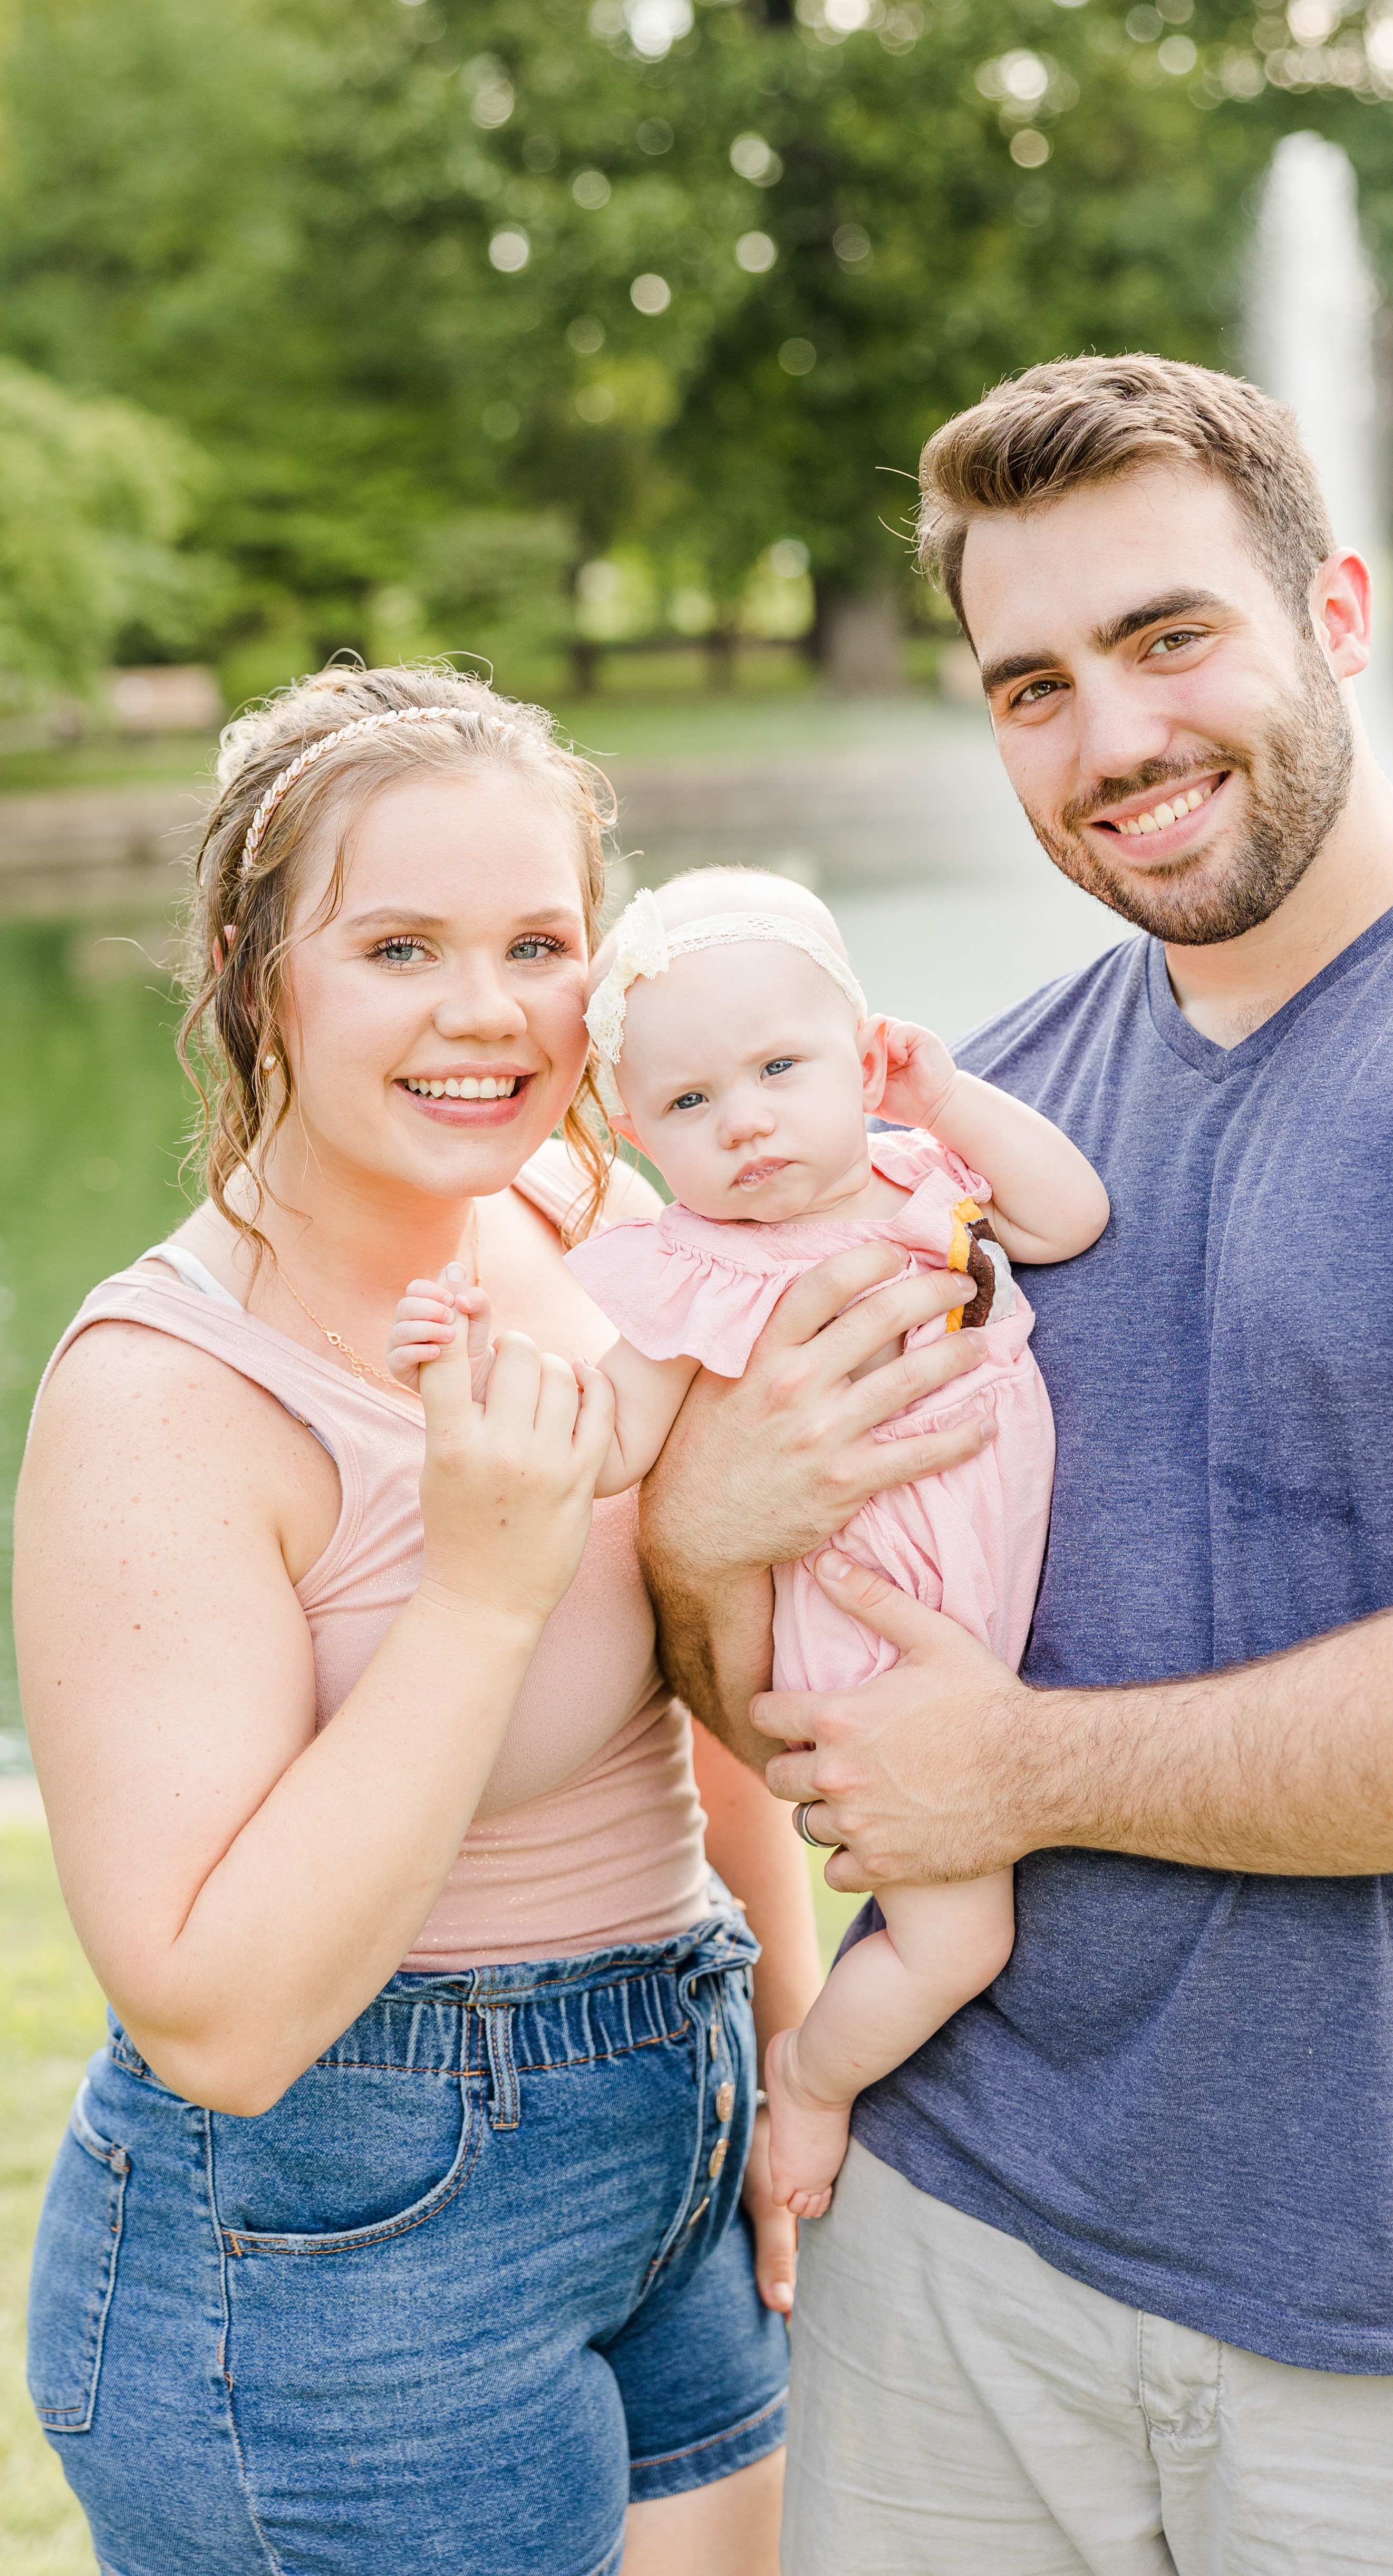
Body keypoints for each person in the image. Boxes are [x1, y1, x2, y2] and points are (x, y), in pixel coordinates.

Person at [636, 355, 1393, 2575]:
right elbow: (816, 1704)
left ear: (1334, 611)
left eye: (1164, 638)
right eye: (1027, 686)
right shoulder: (964, 1134)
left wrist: (1016, 1777)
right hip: (955, 2259)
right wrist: (690, 1539)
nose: (1108, 738)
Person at [12, 664, 971, 2576]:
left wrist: (781, 2063)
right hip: (345, 2258)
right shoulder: (164, 1396)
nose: (484, 1011)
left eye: (538, 940)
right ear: (249, 959)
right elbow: (211, 2012)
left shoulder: (571, 1214)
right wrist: (481, 1578)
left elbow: (685, 1717)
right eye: (396, 944)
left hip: (676, 2126)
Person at [389, 866, 1107, 2217]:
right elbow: (603, 1447)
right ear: (640, 1135)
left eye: (782, 1066)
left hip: (986, 1603)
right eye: (691, 1104)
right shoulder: (691, 1271)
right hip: (870, 1647)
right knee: (960, 1938)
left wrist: (948, 1097)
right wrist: (472, 1362)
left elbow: (1073, 1218)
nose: (750, 1123)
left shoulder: (920, 1175)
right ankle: (817, 2080)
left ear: (863, 1052)